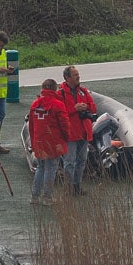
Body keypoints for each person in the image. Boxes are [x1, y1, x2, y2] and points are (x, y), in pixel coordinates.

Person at [29, 78, 69, 205]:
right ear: (54, 89)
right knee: (51, 169)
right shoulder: (58, 104)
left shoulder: (35, 104)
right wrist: (66, 137)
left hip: (39, 140)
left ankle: (35, 196)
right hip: (53, 141)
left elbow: (31, 125)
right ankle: (47, 197)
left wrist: (33, 141)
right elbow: (64, 124)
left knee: (40, 167)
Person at [58, 65, 97, 195]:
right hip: (70, 133)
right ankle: (69, 187)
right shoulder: (61, 94)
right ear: (67, 78)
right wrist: (75, 109)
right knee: (69, 162)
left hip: (83, 132)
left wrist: (86, 106)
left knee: (81, 161)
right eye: (75, 75)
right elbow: (59, 113)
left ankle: (76, 186)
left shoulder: (83, 91)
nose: (78, 76)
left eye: (77, 74)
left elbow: (93, 108)